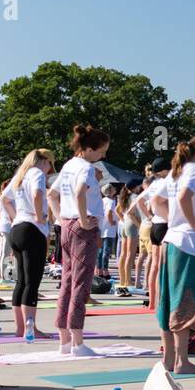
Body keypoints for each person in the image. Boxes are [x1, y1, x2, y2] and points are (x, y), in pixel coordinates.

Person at [46, 125, 111, 355]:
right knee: (81, 283)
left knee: (67, 280)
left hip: (66, 224)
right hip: (82, 225)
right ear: (90, 149)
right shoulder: (85, 168)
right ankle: (77, 342)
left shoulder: (68, 166)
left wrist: (61, 219)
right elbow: (79, 192)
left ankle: (65, 341)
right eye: (101, 151)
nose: (102, 156)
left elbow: (51, 195)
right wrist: (83, 220)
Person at [157, 135, 195, 374]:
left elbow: (156, 200)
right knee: (186, 300)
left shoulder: (177, 170)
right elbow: (183, 197)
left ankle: (169, 359)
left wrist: (173, 220)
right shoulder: (193, 170)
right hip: (188, 243)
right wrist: (192, 222)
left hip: (172, 240)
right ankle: (181, 361)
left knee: (168, 300)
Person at [4, 148, 55, 338]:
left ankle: (20, 328)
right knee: (32, 283)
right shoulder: (36, 173)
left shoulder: (20, 175)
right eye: (50, 164)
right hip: (32, 230)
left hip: (17, 229)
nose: (49, 169)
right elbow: (37, 195)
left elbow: (4, 200)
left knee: (22, 281)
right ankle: (30, 329)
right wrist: (39, 216)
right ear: (44, 161)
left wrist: (16, 216)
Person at [142, 157, 172, 310]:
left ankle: (152, 301)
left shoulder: (154, 184)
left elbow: (140, 201)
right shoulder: (166, 182)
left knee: (155, 265)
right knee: (163, 266)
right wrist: (169, 217)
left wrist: (150, 216)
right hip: (164, 225)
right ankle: (160, 301)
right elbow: (155, 201)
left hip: (155, 225)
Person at [117, 185, 142, 290]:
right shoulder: (135, 196)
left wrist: (123, 220)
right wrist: (140, 226)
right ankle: (127, 281)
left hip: (124, 225)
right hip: (132, 225)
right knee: (130, 255)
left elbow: (117, 210)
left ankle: (122, 279)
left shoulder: (123, 197)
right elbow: (131, 213)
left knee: (123, 254)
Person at [97, 183, 119, 280]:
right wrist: (111, 221)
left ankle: (99, 269)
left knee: (101, 251)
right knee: (106, 251)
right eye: (113, 188)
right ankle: (105, 270)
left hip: (101, 227)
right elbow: (109, 212)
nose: (115, 189)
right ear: (110, 191)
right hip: (108, 229)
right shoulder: (111, 201)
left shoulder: (102, 200)